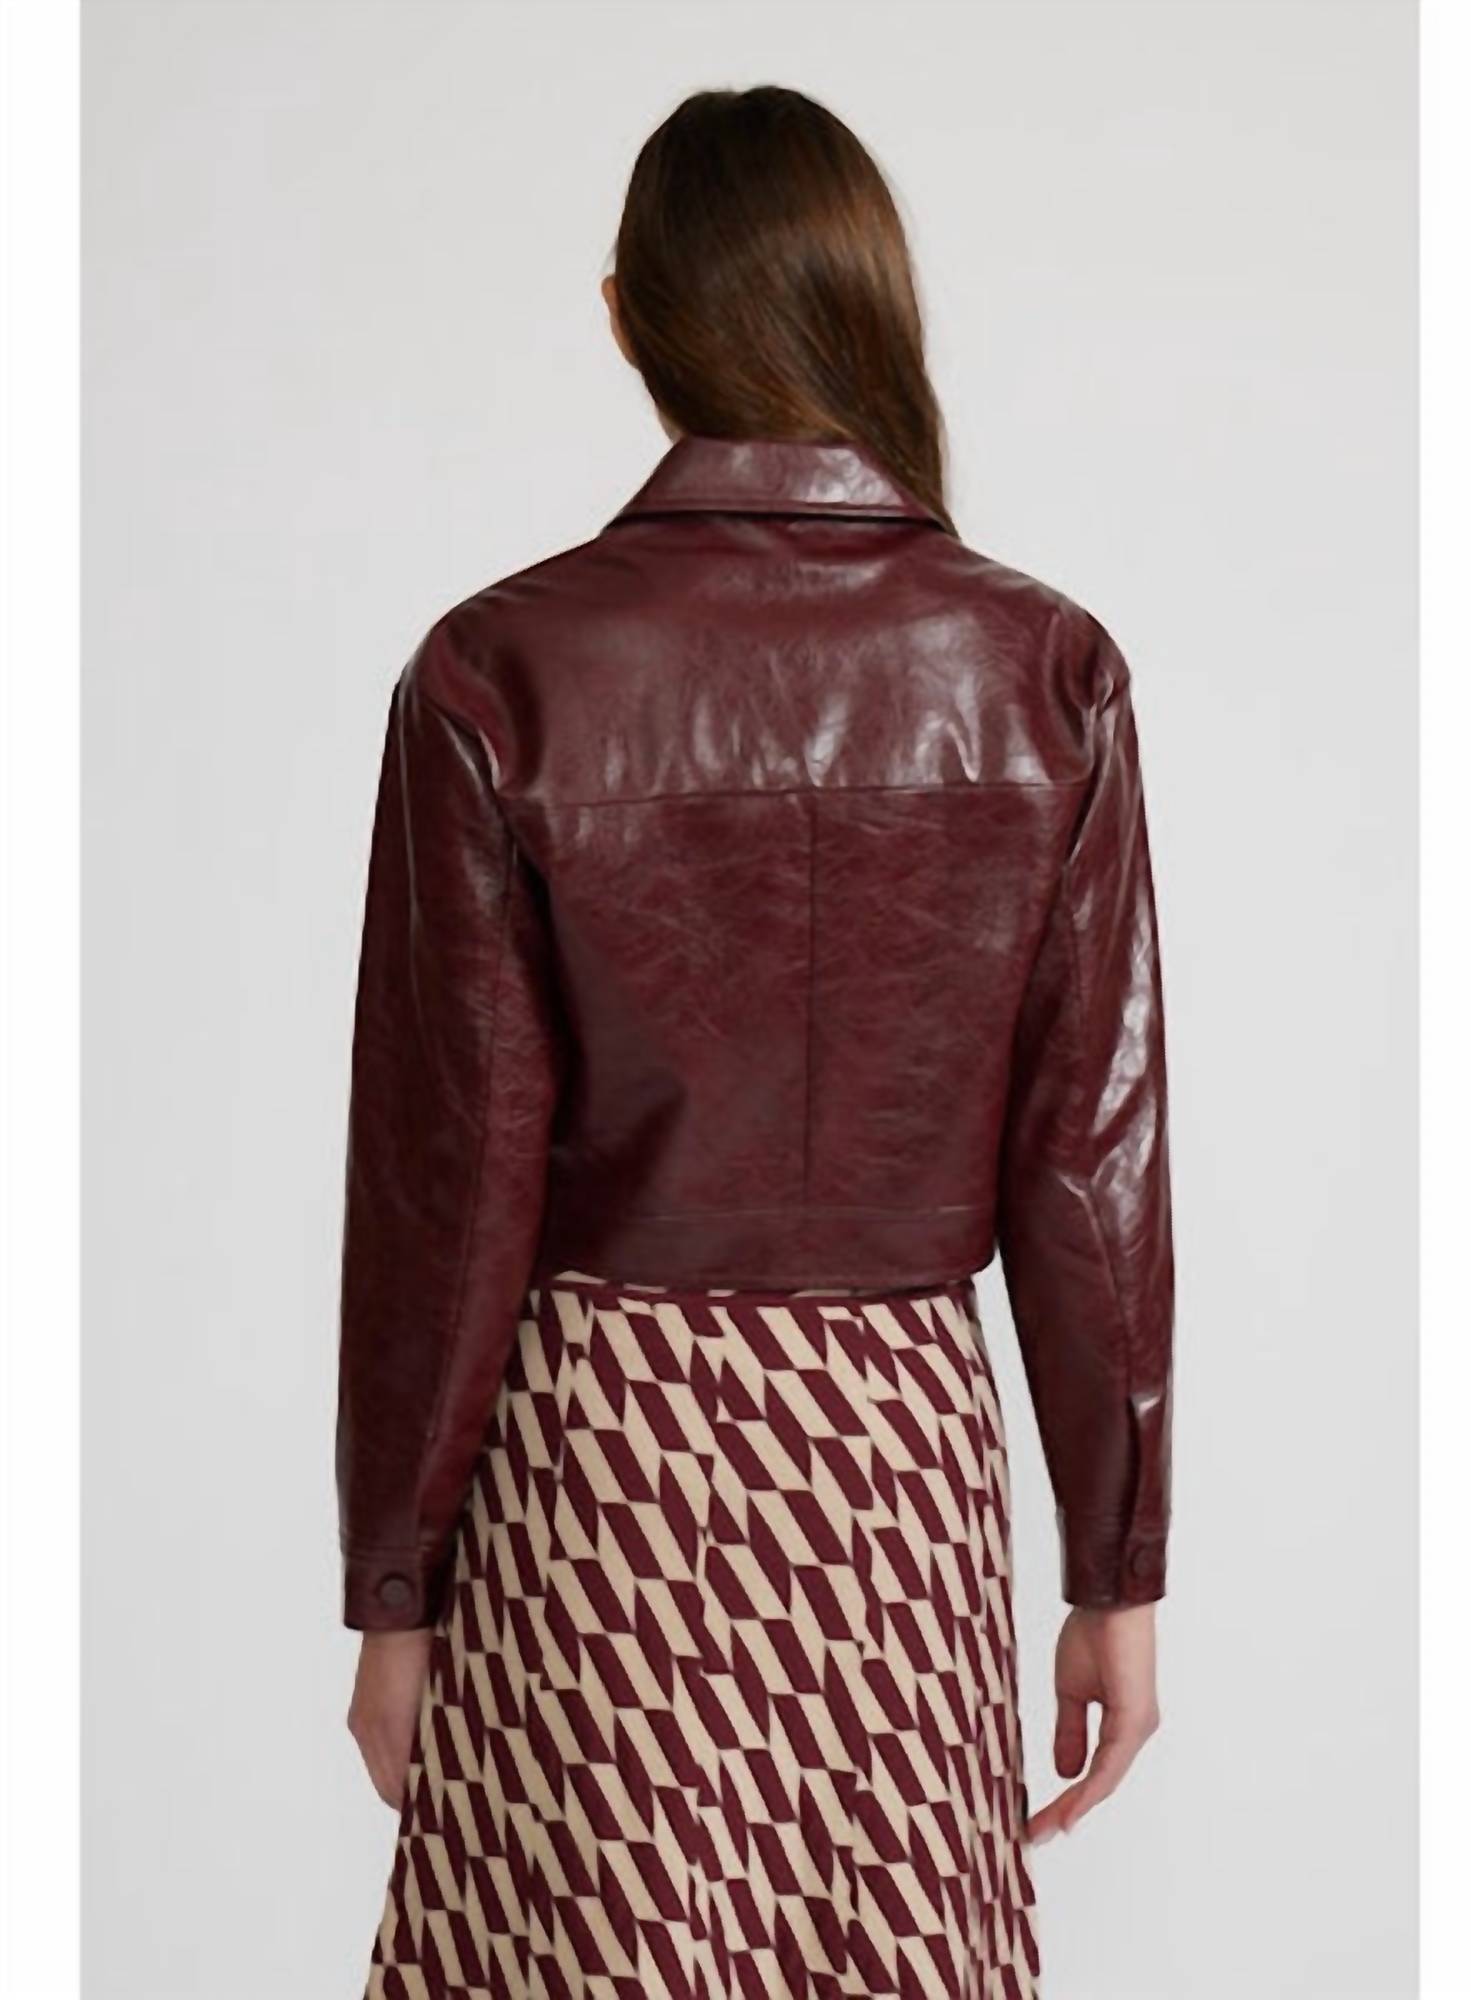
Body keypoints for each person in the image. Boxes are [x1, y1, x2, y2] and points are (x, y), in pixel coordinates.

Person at [338, 84, 1172, 2000]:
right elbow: (1088, 1167)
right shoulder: (1046, 672)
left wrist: (395, 1590)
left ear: (629, 317)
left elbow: (451, 1180)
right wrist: (1115, 1577)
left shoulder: (501, 671)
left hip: (604, 1458)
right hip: (894, 1458)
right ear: (872, 303)